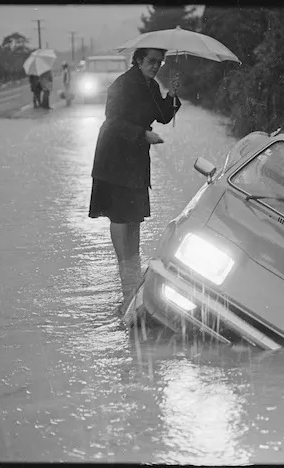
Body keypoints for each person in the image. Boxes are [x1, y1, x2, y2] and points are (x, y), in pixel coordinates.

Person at [88, 47, 180, 303]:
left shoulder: (150, 85)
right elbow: (113, 120)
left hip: (136, 159)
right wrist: (142, 134)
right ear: (139, 60)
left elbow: (162, 116)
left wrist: (172, 94)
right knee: (119, 215)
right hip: (114, 157)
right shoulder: (123, 84)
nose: (156, 66)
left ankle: (132, 276)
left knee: (134, 215)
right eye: (152, 61)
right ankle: (125, 277)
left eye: (160, 62)